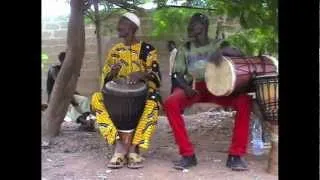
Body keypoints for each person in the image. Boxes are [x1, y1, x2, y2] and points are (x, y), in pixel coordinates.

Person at [164, 13, 252, 171]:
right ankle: (187, 155)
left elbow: (239, 54)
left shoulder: (218, 44)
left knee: (244, 101)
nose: (189, 27)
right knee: (170, 103)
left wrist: (224, 51)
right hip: (195, 87)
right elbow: (177, 73)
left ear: (203, 26)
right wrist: (185, 88)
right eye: (189, 24)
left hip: (219, 87)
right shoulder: (186, 48)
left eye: (193, 24)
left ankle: (236, 155)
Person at [90, 12, 161, 169]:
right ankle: (119, 145)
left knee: (154, 100)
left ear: (132, 27)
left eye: (122, 23)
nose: (118, 27)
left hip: (142, 95)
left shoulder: (147, 50)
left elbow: (156, 76)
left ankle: (135, 148)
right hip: (117, 96)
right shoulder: (115, 50)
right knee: (96, 98)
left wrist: (141, 74)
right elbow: (105, 79)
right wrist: (112, 73)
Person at [46, 51, 93, 130]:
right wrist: (72, 99)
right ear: (62, 61)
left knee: (84, 100)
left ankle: (85, 122)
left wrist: (76, 94)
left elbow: (70, 88)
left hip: (67, 95)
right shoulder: (54, 69)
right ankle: (84, 122)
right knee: (70, 104)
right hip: (55, 97)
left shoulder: (68, 71)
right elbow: (60, 85)